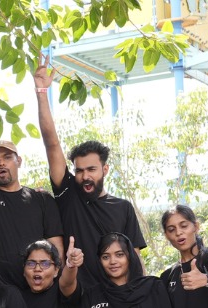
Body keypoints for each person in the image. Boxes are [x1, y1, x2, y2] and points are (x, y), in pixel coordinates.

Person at [33, 58, 146, 289]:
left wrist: (143, 295)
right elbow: (51, 144)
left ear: (105, 169)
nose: (85, 176)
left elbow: (135, 259)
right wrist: (42, 93)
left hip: (117, 297)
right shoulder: (68, 195)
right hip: (77, 296)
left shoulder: (123, 208)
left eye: (91, 169)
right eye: (79, 170)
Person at [0, 86, 63, 286]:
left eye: (7, 157)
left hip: (38, 289)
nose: (1, 163)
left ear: (19, 161)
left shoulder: (42, 199)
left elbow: (56, 248)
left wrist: (49, 282)